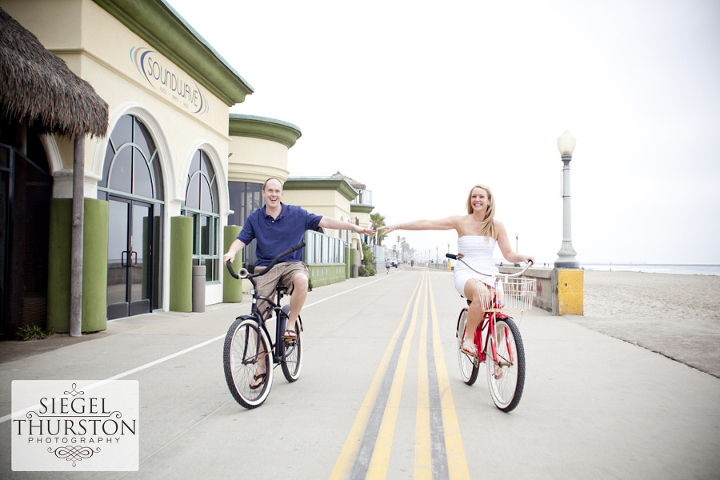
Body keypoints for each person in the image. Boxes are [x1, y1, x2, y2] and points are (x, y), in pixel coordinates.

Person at [223, 178, 375, 388]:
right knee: (258, 318)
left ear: (282, 194)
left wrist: (354, 228)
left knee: (302, 279)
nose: (274, 194)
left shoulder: (297, 214)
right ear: (263, 193)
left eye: (277, 191)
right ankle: (261, 367)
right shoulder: (255, 218)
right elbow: (242, 239)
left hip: (291, 264)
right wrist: (231, 252)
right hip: (265, 268)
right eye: (270, 191)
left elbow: (326, 221)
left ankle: (291, 323)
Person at [378, 184, 533, 357]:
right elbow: (428, 223)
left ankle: (495, 358)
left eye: (481, 196)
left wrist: (523, 257)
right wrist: (397, 225)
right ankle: (468, 339)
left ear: (489, 201)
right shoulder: (461, 221)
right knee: (481, 294)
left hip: (490, 274)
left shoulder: (497, 226)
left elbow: (509, 254)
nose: (477, 200)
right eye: (474, 196)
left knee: (498, 309)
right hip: (467, 273)